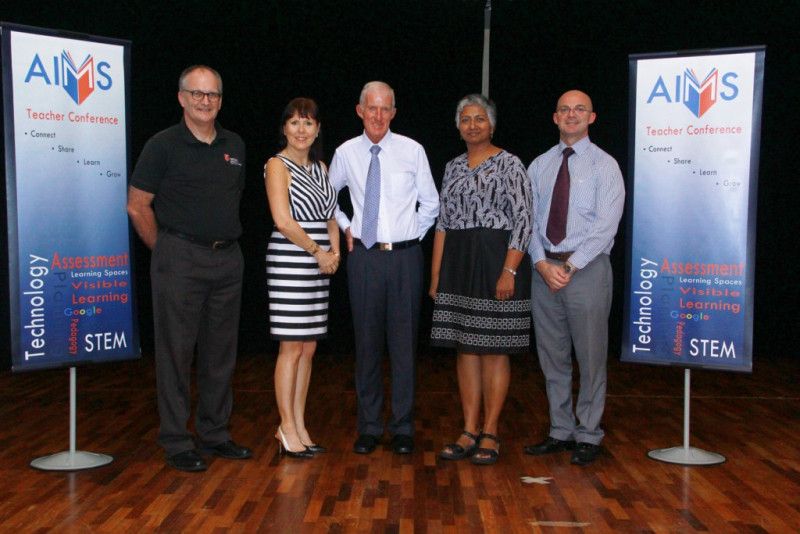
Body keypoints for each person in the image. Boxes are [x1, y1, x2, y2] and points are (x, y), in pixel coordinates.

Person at [127, 65, 252, 472]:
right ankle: (178, 441)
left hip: (227, 260)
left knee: (220, 355)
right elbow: (137, 204)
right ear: (182, 98)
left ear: (220, 99)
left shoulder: (235, 145)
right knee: (176, 354)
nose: (205, 101)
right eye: (196, 93)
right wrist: (164, 249)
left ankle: (215, 434)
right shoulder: (162, 145)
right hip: (179, 259)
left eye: (212, 94)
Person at [328, 81, 439, 455]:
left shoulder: (412, 150)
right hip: (364, 259)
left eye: (385, 109)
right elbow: (327, 198)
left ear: (394, 112)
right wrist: (347, 228)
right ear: (360, 110)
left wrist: (412, 238)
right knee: (367, 343)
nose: (378, 115)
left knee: (404, 345)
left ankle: (403, 427)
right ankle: (370, 427)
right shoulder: (345, 152)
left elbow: (431, 203)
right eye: (371, 108)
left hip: (405, 258)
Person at [430, 94, 533, 465]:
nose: (473, 125)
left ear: (491, 124)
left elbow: (523, 221)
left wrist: (509, 270)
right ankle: (468, 428)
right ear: (458, 127)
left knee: (494, 348)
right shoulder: (452, 167)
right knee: (465, 347)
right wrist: (436, 276)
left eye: (480, 119)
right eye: (466, 119)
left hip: (496, 261)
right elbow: (442, 223)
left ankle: (490, 431)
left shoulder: (510, 164)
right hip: (458, 261)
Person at [525, 89, 625, 466]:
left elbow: (606, 226)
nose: (571, 115)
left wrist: (567, 268)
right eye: (564, 109)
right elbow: (528, 220)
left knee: (591, 356)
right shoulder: (539, 165)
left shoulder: (605, 166)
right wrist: (540, 263)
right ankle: (560, 430)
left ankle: (589, 434)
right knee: (552, 358)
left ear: (591, 117)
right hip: (543, 271)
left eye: (579, 109)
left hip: (586, 271)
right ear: (554, 117)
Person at [264, 98, 339, 459]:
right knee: (290, 347)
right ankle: (286, 427)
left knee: (308, 348)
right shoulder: (277, 166)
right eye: (294, 122)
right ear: (284, 128)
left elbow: (331, 217)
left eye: (307, 123)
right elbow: (282, 220)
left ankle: (299, 423)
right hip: (292, 259)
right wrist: (318, 252)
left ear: (318, 129)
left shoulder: (322, 167)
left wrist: (334, 254)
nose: (301, 129)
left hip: (319, 263)